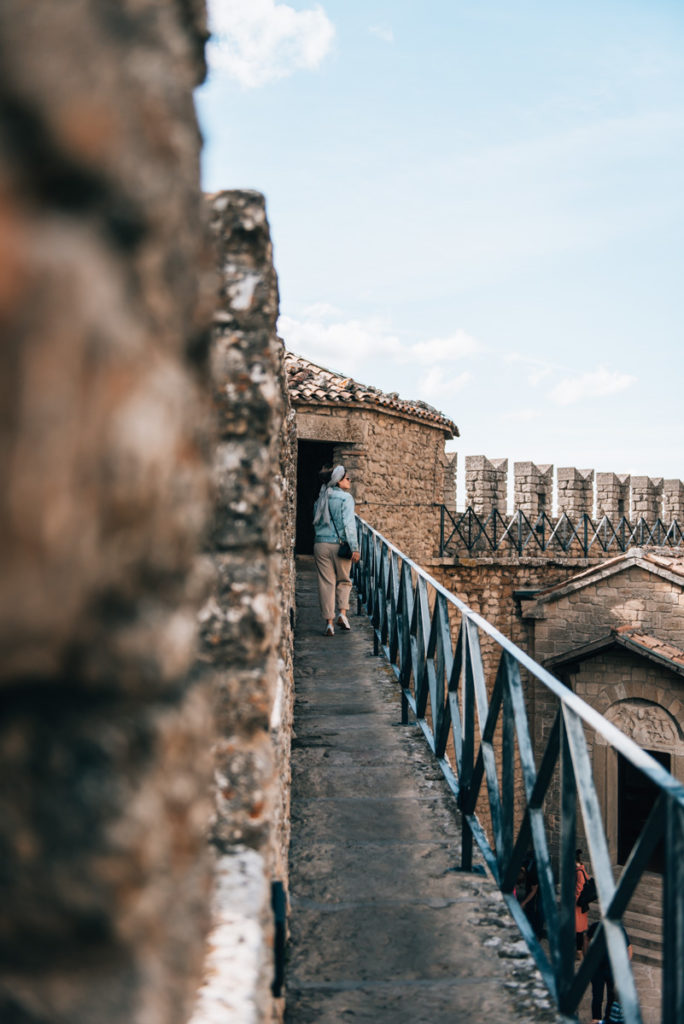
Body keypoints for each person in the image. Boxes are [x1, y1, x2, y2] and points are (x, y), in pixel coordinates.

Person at [312, 465, 360, 636]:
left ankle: (329, 624)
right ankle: (342, 614)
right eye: (347, 478)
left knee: (326, 583)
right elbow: (349, 525)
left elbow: (315, 521)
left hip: (320, 545)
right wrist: (354, 547)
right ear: (339, 481)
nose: (350, 481)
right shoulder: (345, 499)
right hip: (340, 546)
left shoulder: (320, 498)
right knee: (344, 580)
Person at [588, 920, 632, 1024]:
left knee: (612, 996)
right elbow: (586, 938)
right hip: (597, 969)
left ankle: (608, 1018)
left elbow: (629, 949)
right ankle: (596, 1019)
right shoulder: (596, 926)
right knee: (597, 995)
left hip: (613, 969)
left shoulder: (619, 929)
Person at [575, 849, 590, 959]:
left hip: (577, 905)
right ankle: (579, 950)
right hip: (582, 904)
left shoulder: (579, 872)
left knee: (578, 929)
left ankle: (579, 951)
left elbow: (578, 889)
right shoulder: (583, 870)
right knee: (579, 929)